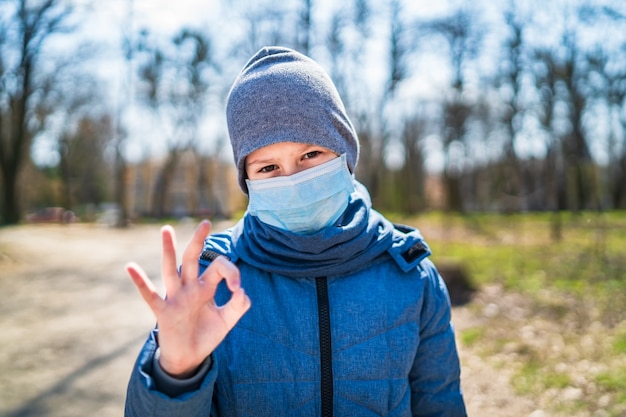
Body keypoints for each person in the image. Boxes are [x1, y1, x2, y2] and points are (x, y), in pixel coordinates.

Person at [124, 46, 467, 417]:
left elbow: (441, 405)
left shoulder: (411, 276)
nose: (294, 180)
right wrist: (174, 375)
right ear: (247, 179)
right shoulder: (210, 282)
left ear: (345, 154)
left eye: (311, 155)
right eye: (268, 167)